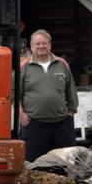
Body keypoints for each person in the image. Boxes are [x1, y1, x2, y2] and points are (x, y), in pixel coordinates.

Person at [19, 29, 79, 162]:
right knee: (33, 164)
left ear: (50, 45)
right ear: (32, 46)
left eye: (44, 43)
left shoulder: (62, 64)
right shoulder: (24, 66)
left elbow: (71, 90)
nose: (41, 46)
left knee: (65, 164)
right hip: (34, 124)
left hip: (61, 124)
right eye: (37, 44)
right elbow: (15, 94)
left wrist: (71, 111)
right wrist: (21, 114)